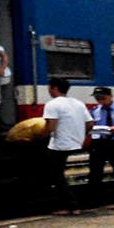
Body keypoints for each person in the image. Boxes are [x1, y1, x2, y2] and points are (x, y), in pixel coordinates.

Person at [40, 77, 92, 214]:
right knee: (57, 174)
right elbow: (90, 123)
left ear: (55, 88)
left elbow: (50, 126)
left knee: (56, 175)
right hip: (76, 143)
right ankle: (71, 204)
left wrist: (40, 137)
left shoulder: (52, 104)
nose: (49, 90)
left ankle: (72, 206)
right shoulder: (78, 103)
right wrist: (81, 134)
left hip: (59, 145)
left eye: (49, 87)